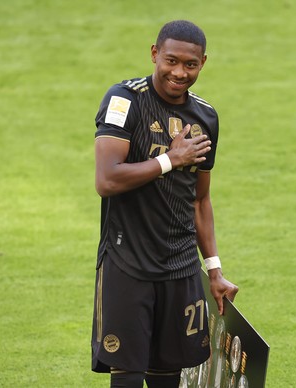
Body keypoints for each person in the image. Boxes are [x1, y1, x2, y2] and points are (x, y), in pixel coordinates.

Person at [91, 20, 239, 388]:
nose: (179, 72)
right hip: (128, 264)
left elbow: (200, 199)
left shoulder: (206, 117)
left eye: (190, 65)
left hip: (181, 268)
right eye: (171, 61)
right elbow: (107, 179)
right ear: (155, 54)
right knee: (126, 377)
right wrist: (170, 160)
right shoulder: (125, 100)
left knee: (167, 379)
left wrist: (215, 271)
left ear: (203, 62)